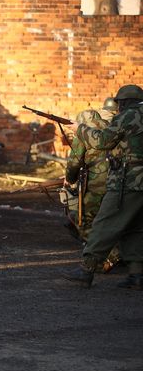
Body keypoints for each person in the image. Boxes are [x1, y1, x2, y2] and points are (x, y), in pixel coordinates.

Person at [63, 84, 143, 290]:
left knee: (105, 224)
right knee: (135, 227)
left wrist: (79, 129)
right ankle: (137, 274)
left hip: (129, 181)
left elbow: (102, 141)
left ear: (123, 103)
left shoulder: (128, 116)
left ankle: (86, 269)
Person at [64, 98, 120, 272]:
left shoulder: (83, 135)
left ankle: (113, 254)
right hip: (120, 182)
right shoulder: (113, 131)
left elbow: (74, 163)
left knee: (82, 220)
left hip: (97, 186)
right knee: (116, 220)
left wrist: (70, 180)